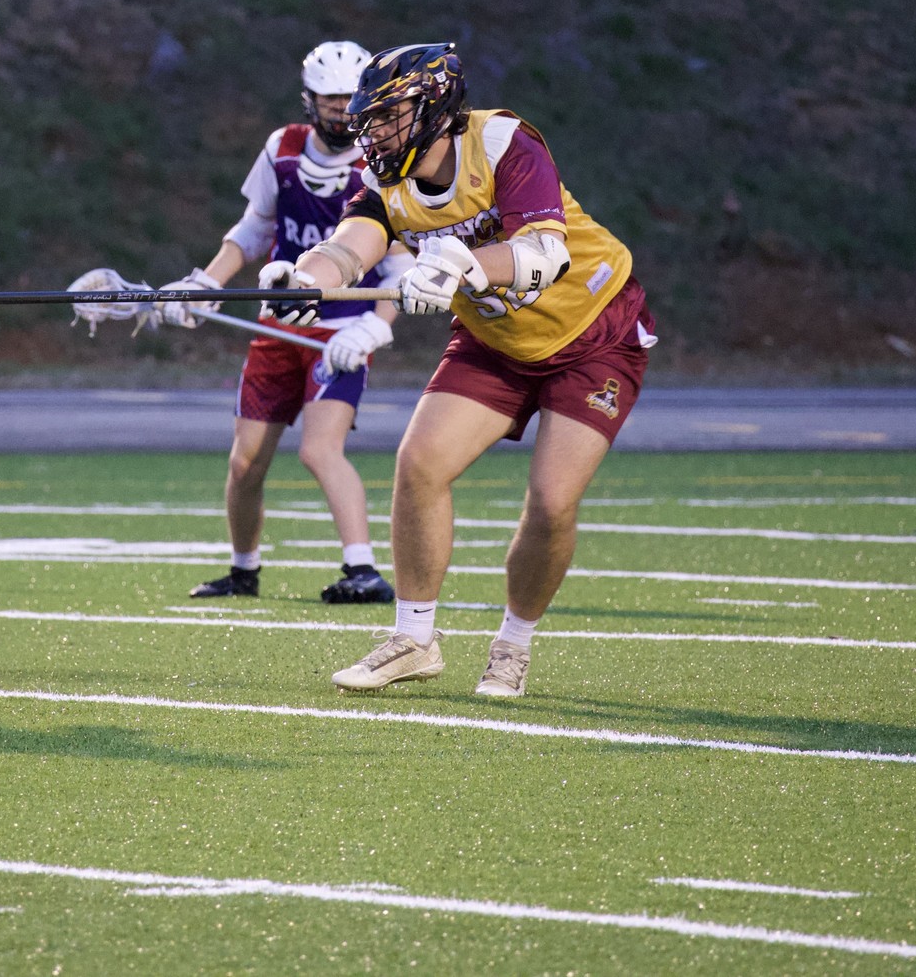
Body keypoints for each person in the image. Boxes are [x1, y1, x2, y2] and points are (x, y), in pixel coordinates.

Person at [260, 43, 655, 697]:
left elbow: (543, 254)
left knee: (552, 501)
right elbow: (349, 248)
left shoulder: (502, 142)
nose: (373, 133)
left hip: (593, 332)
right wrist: (304, 280)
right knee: (420, 464)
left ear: (435, 108)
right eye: (368, 120)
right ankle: (414, 639)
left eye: (387, 117)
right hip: (495, 339)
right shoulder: (385, 180)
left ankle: (513, 645)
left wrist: (460, 263)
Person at [156, 41, 416, 605]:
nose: (341, 109)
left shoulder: (381, 164)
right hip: (278, 326)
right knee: (245, 460)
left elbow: (400, 265)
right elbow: (254, 228)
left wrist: (375, 327)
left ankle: (363, 569)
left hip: (341, 332)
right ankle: (242, 571)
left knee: (320, 450)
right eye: (330, 98)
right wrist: (207, 283)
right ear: (309, 99)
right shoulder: (284, 149)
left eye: (350, 97)